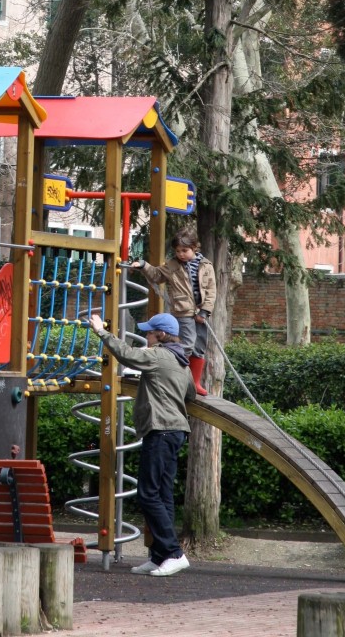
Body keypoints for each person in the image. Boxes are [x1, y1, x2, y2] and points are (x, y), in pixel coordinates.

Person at [89, 310, 195, 577]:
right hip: (175, 430)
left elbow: (128, 355)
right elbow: (190, 393)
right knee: (162, 494)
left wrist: (102, 331)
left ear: (159, 335)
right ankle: (160, 555)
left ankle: (174, 553)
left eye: (149, 333)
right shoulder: (181, 361)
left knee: (148, 493)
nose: (146, 336)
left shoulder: (158, 355)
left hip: (160, 430)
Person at [130, 227, 216, 395]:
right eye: (178, 251)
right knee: (186, 345)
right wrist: (143, 265)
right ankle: (176, 379)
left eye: (185, 250)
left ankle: (194, 383)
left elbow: (212, 290)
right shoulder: (172, 265)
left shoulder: (206, 265)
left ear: (194, 248)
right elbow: (155, 275)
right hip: (182, 311)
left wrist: (205, 311)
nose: (181, 254)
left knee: (199, 347)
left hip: (201, 312)